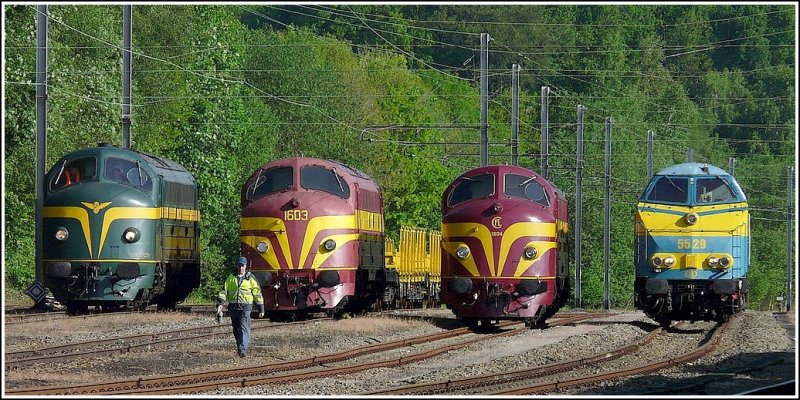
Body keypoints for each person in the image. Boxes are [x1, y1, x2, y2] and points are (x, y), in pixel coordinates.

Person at [216, 256, 265, 358]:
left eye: (242, 266)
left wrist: (261, 308)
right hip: (234, 308)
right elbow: (223, 292)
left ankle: (242, 350)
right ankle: (240, 348)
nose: (240, 268)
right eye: (239, 265)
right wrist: (220, 305)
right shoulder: (231, 278)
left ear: (245, 266)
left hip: (245, 308)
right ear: (236, 266)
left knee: (244, 328)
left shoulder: (251, 279)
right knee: (236, 330)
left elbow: (257, 294)